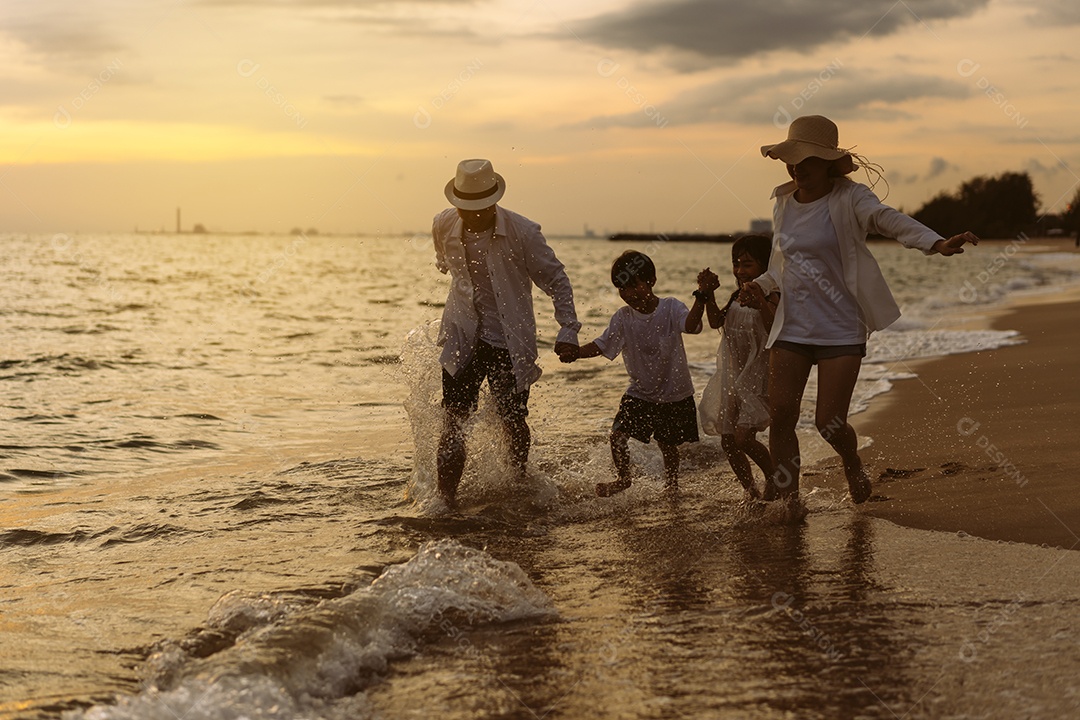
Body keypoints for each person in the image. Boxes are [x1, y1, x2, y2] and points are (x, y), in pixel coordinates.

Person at [747, 115, 979, 504]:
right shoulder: (784, 202)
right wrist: (761, 284)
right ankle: (789, 502)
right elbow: (779, 264)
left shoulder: (851, 198)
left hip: (840, 325)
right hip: (793, 325)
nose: (797, 168)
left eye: (806, 160)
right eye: (793, 160)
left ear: (827, 163)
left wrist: (935, 243)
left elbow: (889, 221)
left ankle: (852, 462)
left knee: (829, 424)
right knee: (782, 415)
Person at [433, 158, 580, 508]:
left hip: (508, 341)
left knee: (513, 420)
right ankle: (444, 501)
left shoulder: (523, 232)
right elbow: (444, 261)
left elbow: (557, 280)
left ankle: (516, 484)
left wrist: (568, 329)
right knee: (452, 420)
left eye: (480, 208)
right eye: (465, 208)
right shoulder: (442, 224)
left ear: (493, 201)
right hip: (461, 334)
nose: (472, 215)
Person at [560, 250, 705, 496]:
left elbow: (692, 326)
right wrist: (576, 352)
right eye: (622, 288)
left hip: (674, 393)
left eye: (635, 285)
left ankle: (672, 486)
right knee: (617, 436)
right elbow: (602, 345)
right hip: (640, 392)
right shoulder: (623, 317)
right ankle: (624, 478)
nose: (629, 294)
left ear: (651, 281)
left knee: (668, 445)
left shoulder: (670, 307)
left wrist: (701, 296)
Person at [697, 235, 776, 499]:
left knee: (743, 438)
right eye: (736, 264)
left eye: (747, 264)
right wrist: (708, 294)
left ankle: (775, 477)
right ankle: (750, 491)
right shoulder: (735, 296)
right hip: (732, 374)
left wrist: (760, 302)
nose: (739, 271)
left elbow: (775, 328)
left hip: (758, 374)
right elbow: (715, 322)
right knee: (729, 442)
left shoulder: (773, 294)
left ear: (765, 266)